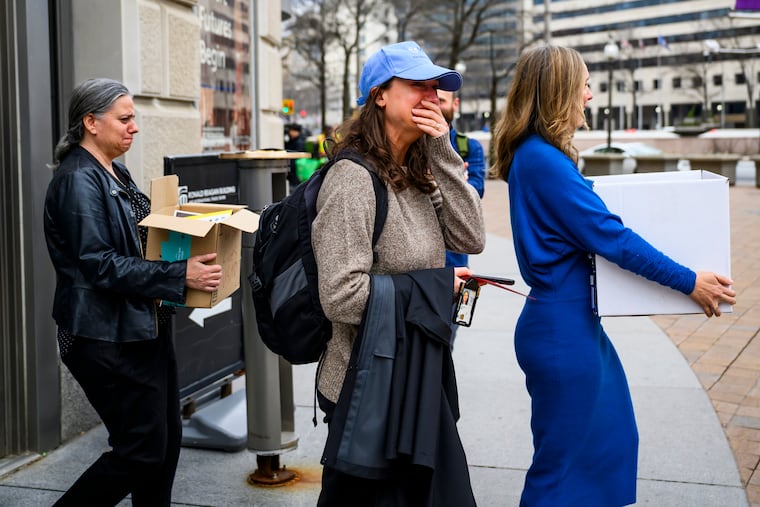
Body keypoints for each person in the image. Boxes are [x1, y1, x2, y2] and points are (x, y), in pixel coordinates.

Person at [491, 46, 737, 506]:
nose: (589, 95)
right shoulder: (542, 159)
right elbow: (613, 238)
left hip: (569, 324)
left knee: (607, 443)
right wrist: (690, 281)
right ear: (560, 90)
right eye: (583, 83)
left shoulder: (540, 156)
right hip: (563, 332)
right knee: (562, 469)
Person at [311, 40, 486, 506]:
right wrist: (434, 287)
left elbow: (471, 239)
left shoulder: (415, 170)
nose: (431, 96)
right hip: (367, 382)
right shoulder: (352, 178)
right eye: (416, 86)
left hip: (412, 371)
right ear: (379, 96)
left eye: (435, 87)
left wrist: (444, 152)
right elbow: (340, 296)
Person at [44, 78, 223, 506]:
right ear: (90, 122)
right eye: (124, 119)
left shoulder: (113, 170)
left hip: (142, 327)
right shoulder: (77, 182)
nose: (134, 128)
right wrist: (179, 276)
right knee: (140, 451)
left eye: (134, 118)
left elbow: (139, 240)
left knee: (164, 444)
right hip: (104, 336)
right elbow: (98, 264)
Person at [437, 89, 486, 269]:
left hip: (455, 261)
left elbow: (476, 191)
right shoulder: (411, 147)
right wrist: (457, 180)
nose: (436, 107)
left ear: (455, 104)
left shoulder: (470, 147)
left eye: (441, 101)